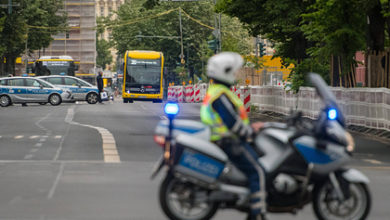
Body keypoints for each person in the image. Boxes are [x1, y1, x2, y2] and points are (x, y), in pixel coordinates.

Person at [200, 52, 267, 220]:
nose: (236, 74)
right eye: (234, 71)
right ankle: (256, 213)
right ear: (225, 71)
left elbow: (234, 120)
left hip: (225, 139)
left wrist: (252, 127)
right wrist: (249, 132)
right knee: (257, 171)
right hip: (228, 141)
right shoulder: (220, 95)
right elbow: (231, 122)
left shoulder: (217, 91)